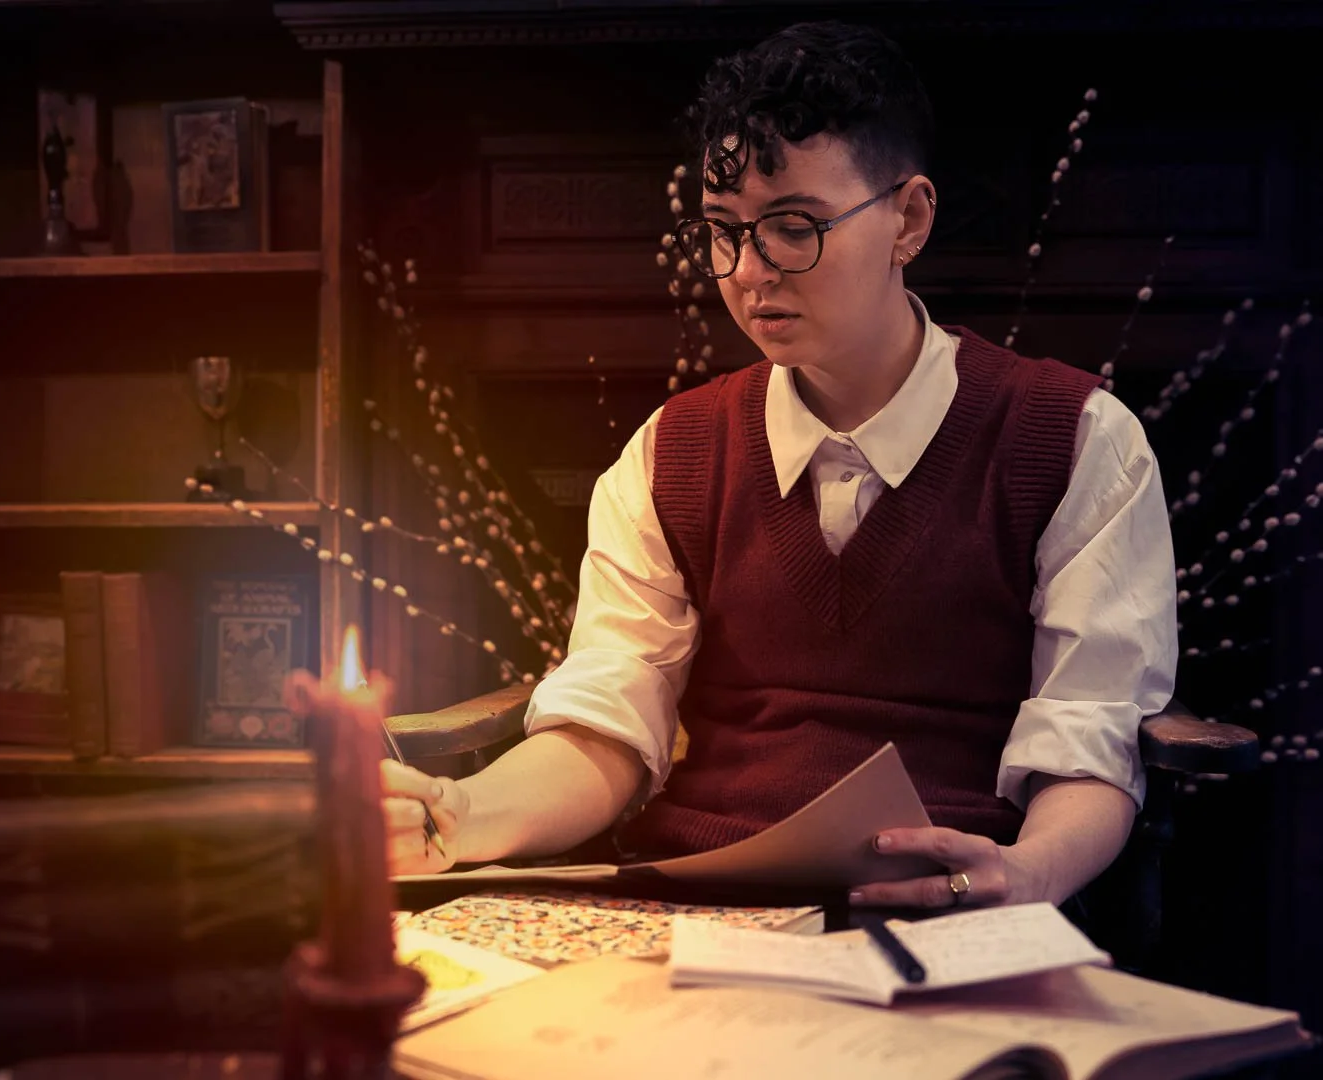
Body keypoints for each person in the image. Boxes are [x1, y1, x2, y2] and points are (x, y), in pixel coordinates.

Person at [382, 19, 1176, 911]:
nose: (749, 272)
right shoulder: (670, 453)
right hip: (698, 896)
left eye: (793, 227)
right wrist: (462, 812)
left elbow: (1090, 734)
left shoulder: (1071, 438)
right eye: (724, 230)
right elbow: (609, 723)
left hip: (943, 901)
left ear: (908, 218)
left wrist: (1026, 875)